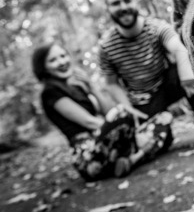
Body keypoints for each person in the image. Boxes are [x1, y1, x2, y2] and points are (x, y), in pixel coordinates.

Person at [32, 43, 172, 181]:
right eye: (53, 60)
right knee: (123, 112)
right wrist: (131, 131)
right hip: (89, 156)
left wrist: (91, 87)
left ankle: (130, 160)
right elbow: (90, 122)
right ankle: (137, 154)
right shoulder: (50, 92)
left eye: (63, 56)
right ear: (43, 67)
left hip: (110, 147)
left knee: (163, 118)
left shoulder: (77, 87)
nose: (61, 62)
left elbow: (107, 112)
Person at [98, 0, 194, 136]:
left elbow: (178, 47)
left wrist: (187, 78)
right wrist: (127, 108)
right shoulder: (106, 46)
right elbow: (111, 84)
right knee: (158, 137)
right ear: (108, 8)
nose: (123, 7)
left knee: (191, 69)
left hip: (166, 84)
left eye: (127, 1)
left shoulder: (156, 27)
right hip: (142, 100)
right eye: (116, 3)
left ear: (135, 2)